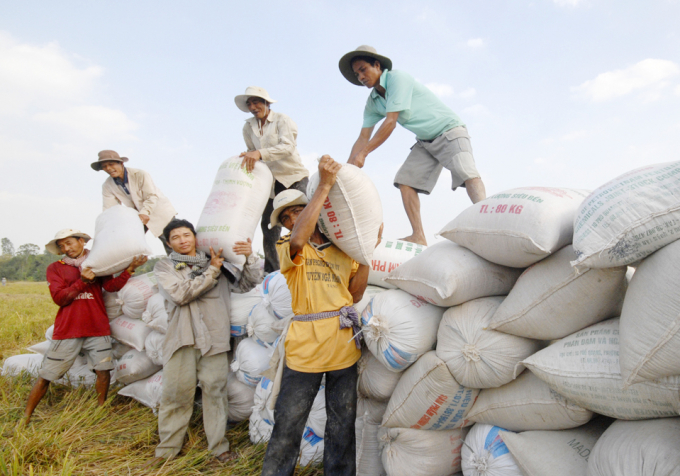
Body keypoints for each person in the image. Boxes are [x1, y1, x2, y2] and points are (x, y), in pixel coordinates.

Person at [260, 156, 381, 476]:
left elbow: (353, 295)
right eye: (285, 217)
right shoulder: (288, 244)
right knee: (288, 424)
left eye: (296, 211)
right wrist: (325, 183)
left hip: (342, 346)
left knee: (342, 425)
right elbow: (300, 237)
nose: (290, 220)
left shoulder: (343, 248)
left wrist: (367, 253)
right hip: (305, 351)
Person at [340, 45, 487, 246]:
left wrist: (363, 154)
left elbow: (390, 122)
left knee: (467, 172)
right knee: (405, 182)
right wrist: (347, 171)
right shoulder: (373, 102)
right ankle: (418, 235)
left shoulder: (397, 79)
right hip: (425, 142)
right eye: (357, 74)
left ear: (377, 65)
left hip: (449, 131)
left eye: (363, 69)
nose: (361, 77)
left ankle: (488, 221)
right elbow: (363, 137)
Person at [148, 218, 261, 465]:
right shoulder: (165, 267)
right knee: (176, 395)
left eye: (186, 235)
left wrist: (250, 258)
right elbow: (180, 295)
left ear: (195, 237)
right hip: (182, 339)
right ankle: (167, 450)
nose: (182, 240)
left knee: (216, 393)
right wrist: (211, 270)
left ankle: (219, 448)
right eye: (176, 237)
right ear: (169, 243)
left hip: (215, 338)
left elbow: (247, 284)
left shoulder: (219, 262)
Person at [23, 228, 147, 424]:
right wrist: (82, 282)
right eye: (61, 245)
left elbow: (111, 287)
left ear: (82, 241)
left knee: (103, 371)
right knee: (47, 375)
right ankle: (26, 416)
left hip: (97, 328)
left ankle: (100, 411)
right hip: (68, 330)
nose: (66, 248)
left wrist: (130, 269)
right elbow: (60, 298)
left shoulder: (97, 264)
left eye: (69, 243)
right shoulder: (56, 268)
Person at [235, 86, 309, 274]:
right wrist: (250, 155)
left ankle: (309, 262)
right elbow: (253, 153)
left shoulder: (282, 120)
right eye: (249, 103)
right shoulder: (248, 127)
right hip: (270, 183)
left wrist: (260, 153)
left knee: (302, 221)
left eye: (256, 102)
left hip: (293, 176)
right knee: (269, 225)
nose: (253, 106)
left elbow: (287, 147)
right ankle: (273, 272)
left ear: (267, 103)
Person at [91, 150, 177, 254]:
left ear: (121, 163)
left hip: (158, 211)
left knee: (172, 242)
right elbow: (110, 209)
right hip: (137, 216)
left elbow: (151, 196)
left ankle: (186, 266)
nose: (108, 169)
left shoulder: (140, 174)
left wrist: (145, 212)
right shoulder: (107, 185)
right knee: (127, 244)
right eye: (104, 166)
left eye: (111, 164)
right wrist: (110, 228)